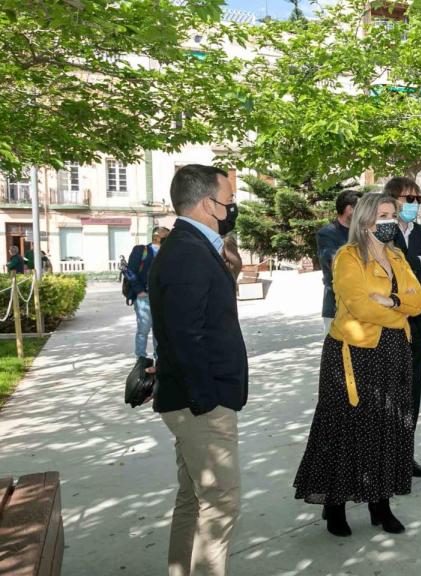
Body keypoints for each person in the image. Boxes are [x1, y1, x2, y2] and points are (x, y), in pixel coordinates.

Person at [293, 193, 421, 537]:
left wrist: (395, 299)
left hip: (394, 353)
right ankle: (334, 505)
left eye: (393, 214)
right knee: (345, 429)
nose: (390, 221)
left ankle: (380, 505)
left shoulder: (397, 255)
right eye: (384, 214)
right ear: (366, 221)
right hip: (354, 354)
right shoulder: (347, 257)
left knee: (388, 427)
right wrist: (401, 314)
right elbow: (359, 305)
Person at [149, 165, 248, 576]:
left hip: (195, 401)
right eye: (229, 199)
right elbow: (187, 337)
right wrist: (207, 402)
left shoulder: (195, 245)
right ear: (209, 204)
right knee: (221, 503)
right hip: (201, 406)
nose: (232, 207)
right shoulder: (188, 252)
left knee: (193, 498)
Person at [383, 177, 421, 476]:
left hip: (417, 326)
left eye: (418, 199)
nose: (415, 205)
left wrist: (414, 267)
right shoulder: (381, 231)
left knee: (413, 393)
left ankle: (405, 456)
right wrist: (418, 264)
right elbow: (388, 276)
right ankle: (385, 459)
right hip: (388, 326)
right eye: (409, 199)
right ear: (392, 199)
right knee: (387, 395)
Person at [317, 189, 361, 334]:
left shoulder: (364, 232)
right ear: (349, 209)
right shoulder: (327, 233)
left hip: (364, 305)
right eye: (360, 208)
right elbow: (336, 264)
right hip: (337, 307)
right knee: (337, 355)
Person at [127, 227, 170, 360]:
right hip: (144, 296)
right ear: (156, 236)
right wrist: (139, 291)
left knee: (159, 331)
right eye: (165, 235)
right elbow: (130, 271)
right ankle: (141, 359)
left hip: (162, 298)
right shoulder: (141, 250)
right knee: (143, 330)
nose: (168, 238)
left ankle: (159, 360)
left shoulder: (168, 252)